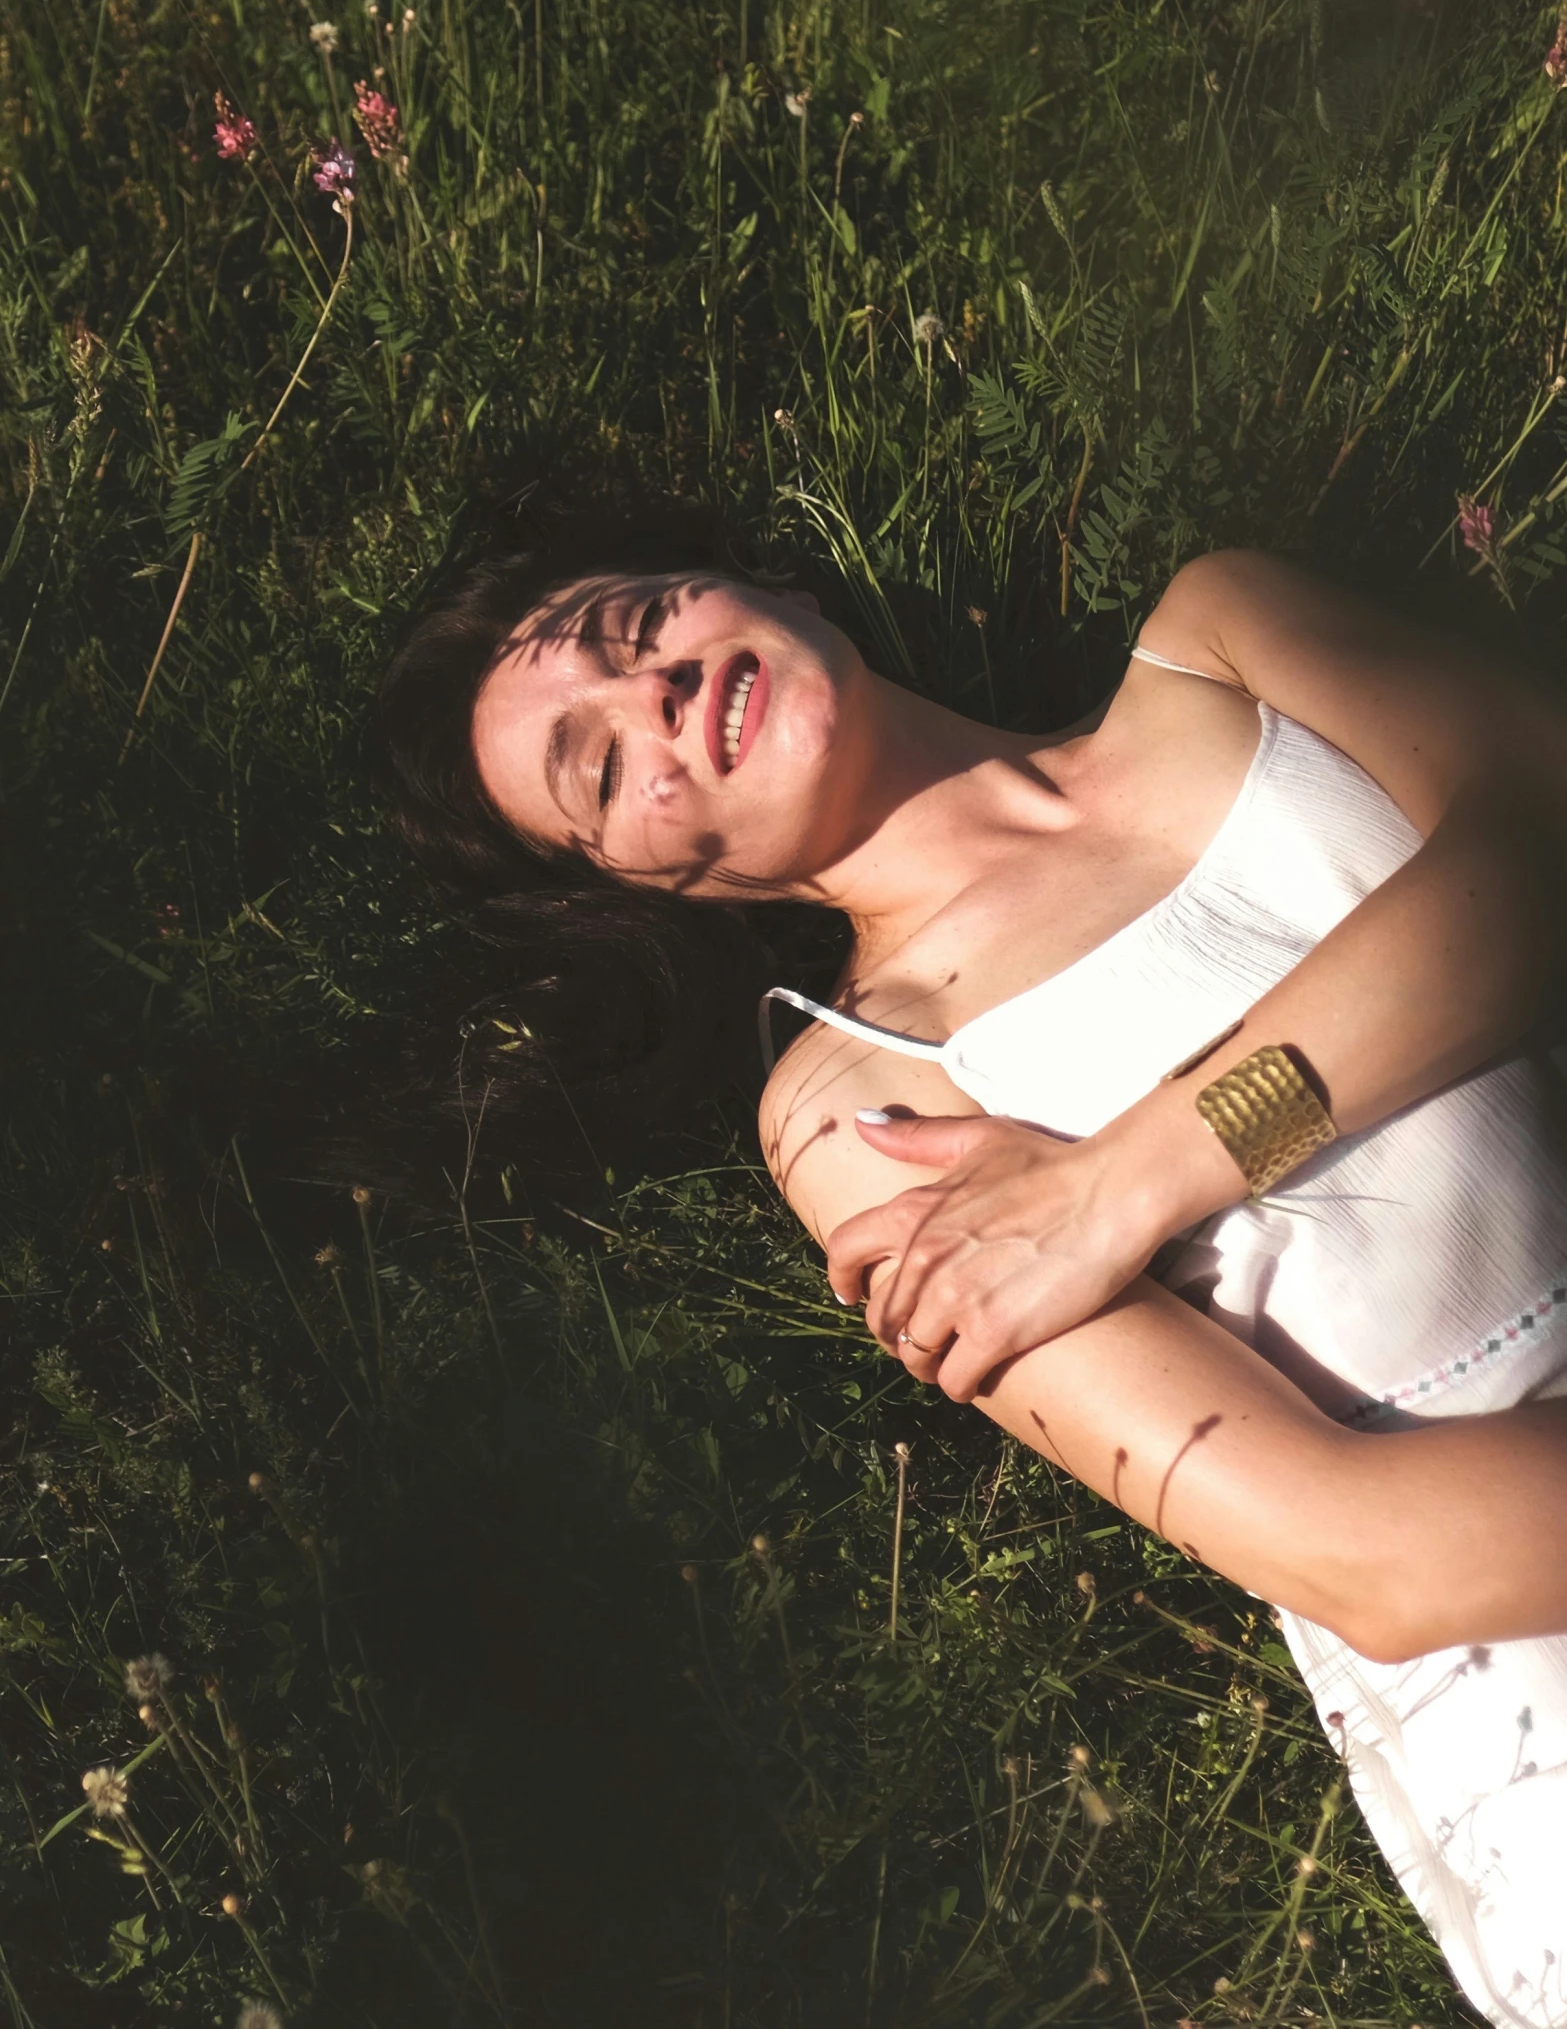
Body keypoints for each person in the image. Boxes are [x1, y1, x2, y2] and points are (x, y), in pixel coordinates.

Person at [378, 513, 1567, 2029]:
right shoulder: (866, 1109)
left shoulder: (1221, 636)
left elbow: (1539, 833)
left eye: (636, 625)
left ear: (772, 582)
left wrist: (1124, 1179)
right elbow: (1368, 1562)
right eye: (600, 768)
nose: (657, 697)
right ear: (651, 889)